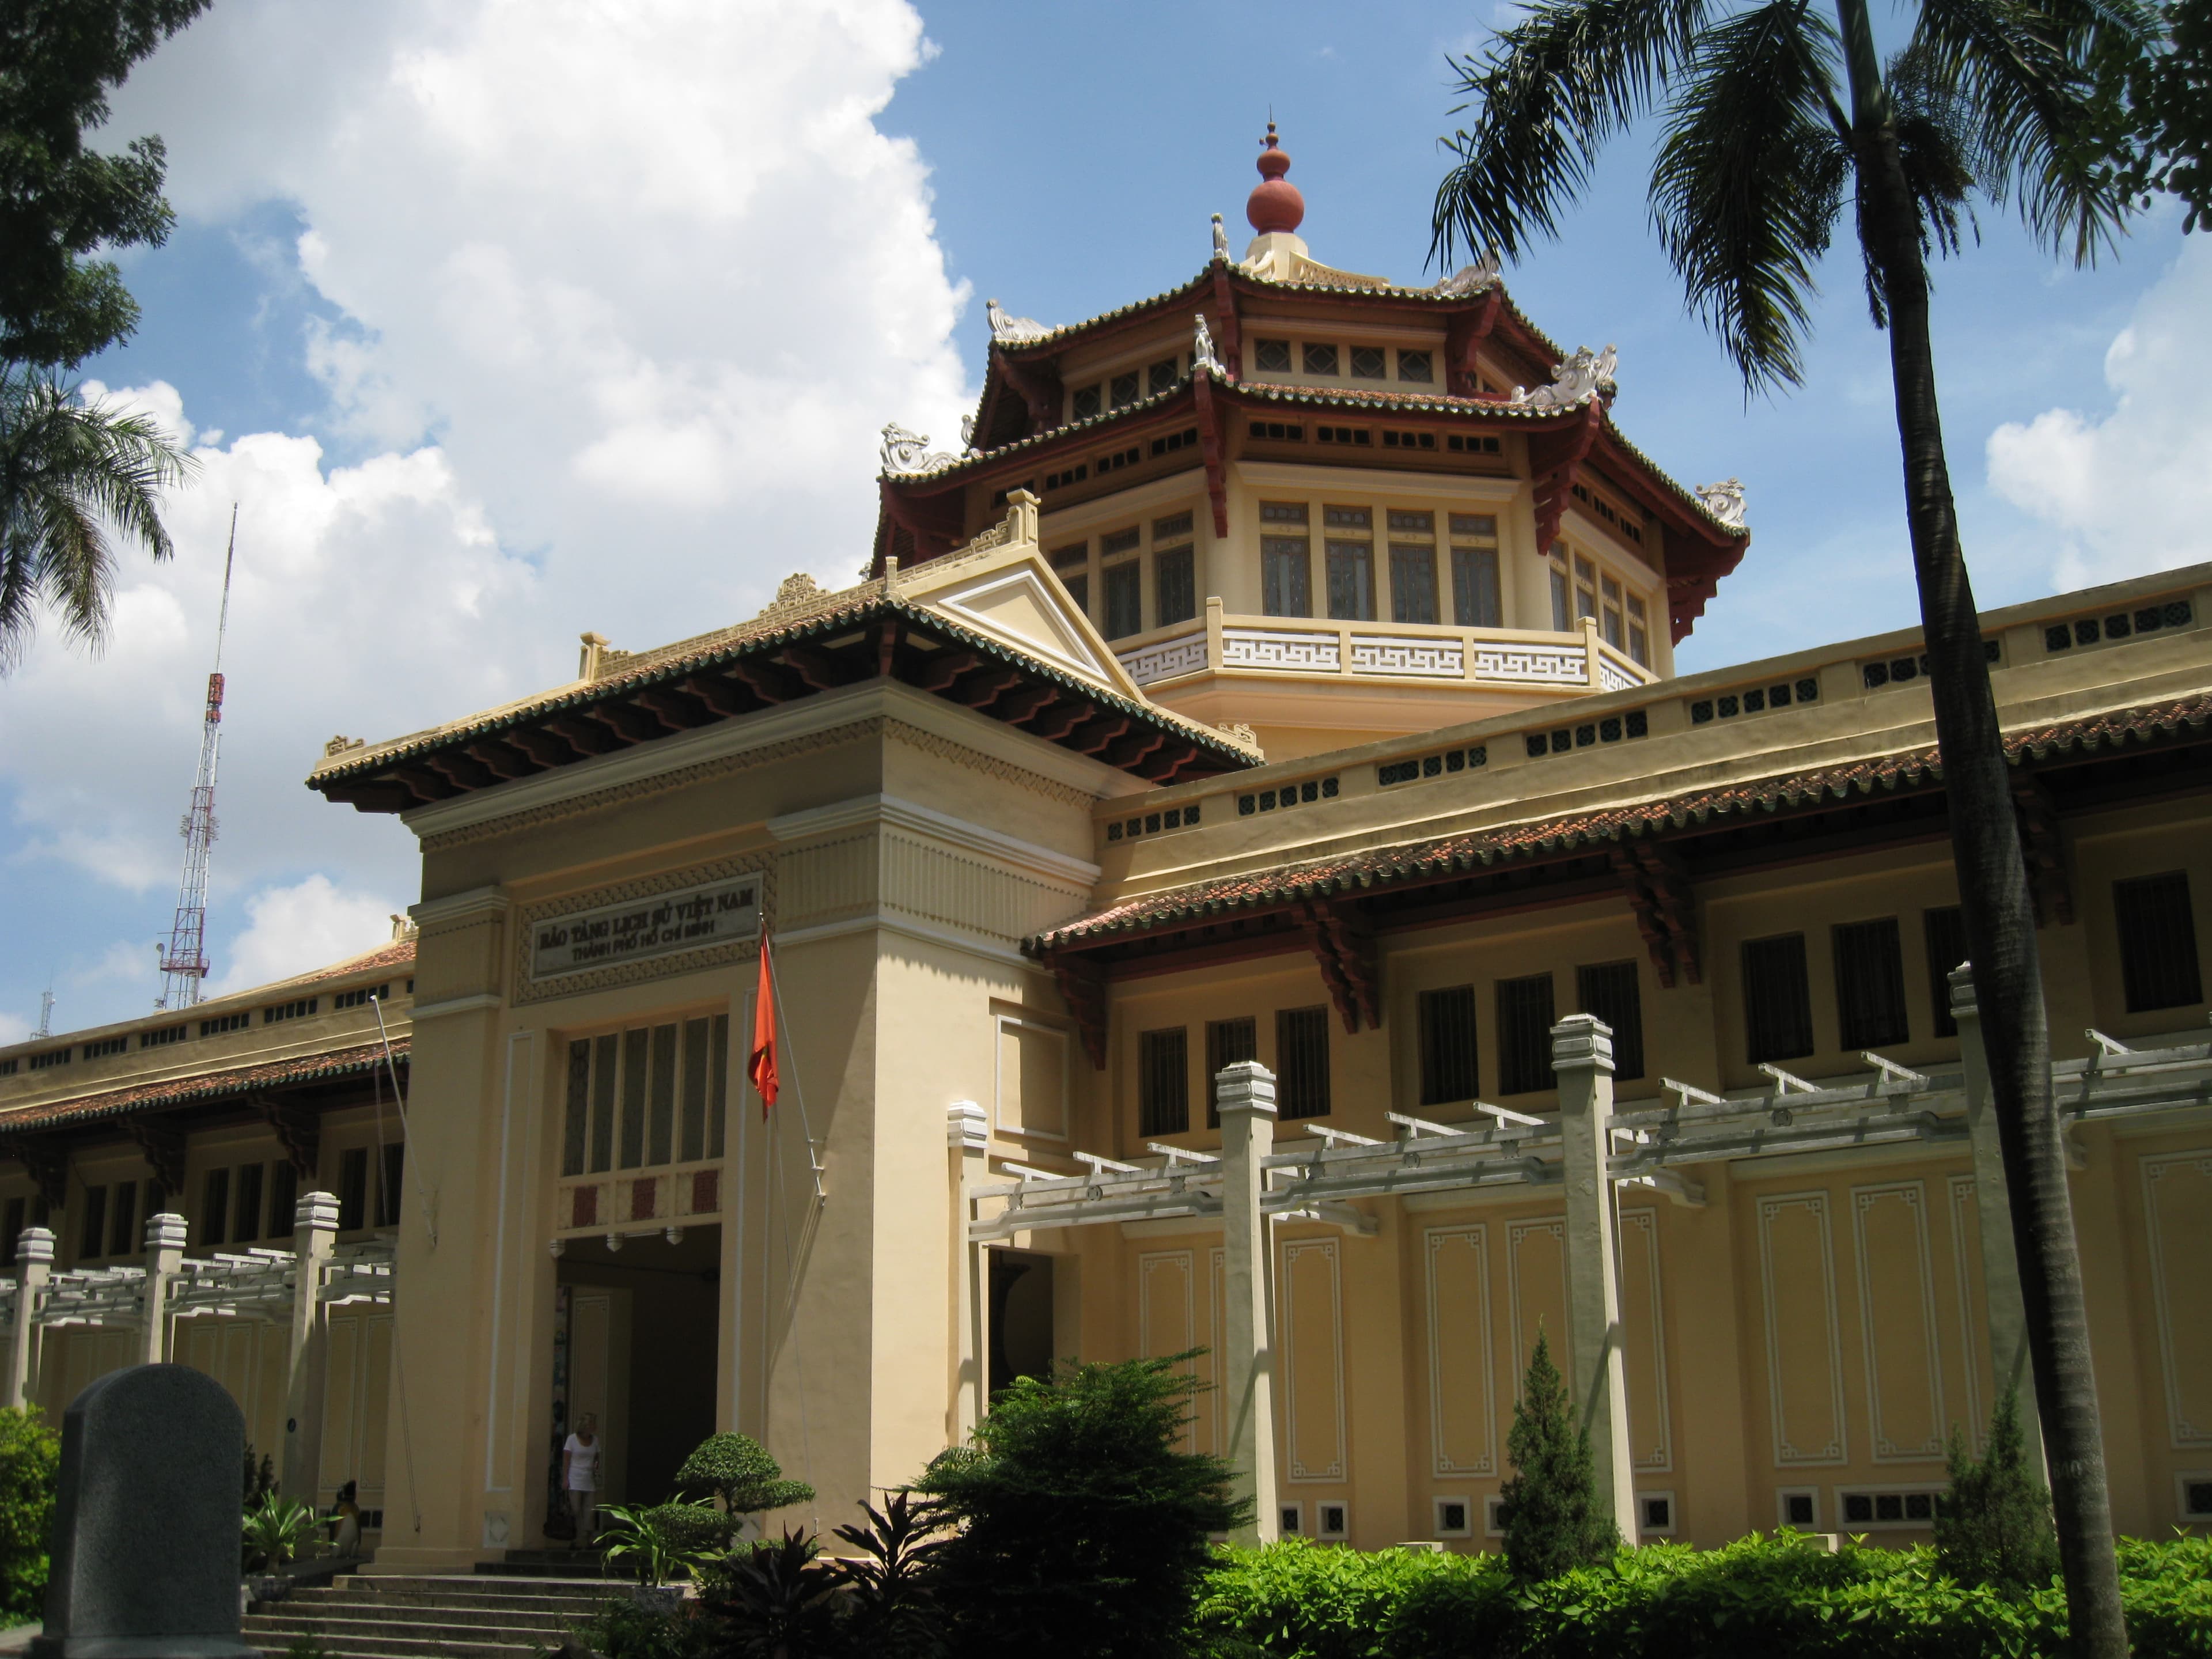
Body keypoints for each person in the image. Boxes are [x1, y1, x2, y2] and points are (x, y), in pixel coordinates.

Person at [562, 1413, 601, 1539]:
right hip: (575, 1478)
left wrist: (596, 1469)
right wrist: (565, 1479)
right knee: (576, 1509)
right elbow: (567, 1460)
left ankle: (589, 1537)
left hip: (589, 1478)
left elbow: (597, 1458)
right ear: (585, 1425)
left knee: (590, 1510)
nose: (594, 1426)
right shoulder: (572, 1439)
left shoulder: (595, 1440)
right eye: (592, 1423)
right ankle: (577, 1537)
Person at [330, 1480, 362, 1557]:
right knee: (338, 1548)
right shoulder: (339, 1508)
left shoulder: (354, 1508)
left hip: (352, 1543)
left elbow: (359, 1526)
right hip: (339, 1542)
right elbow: (332, 1527)